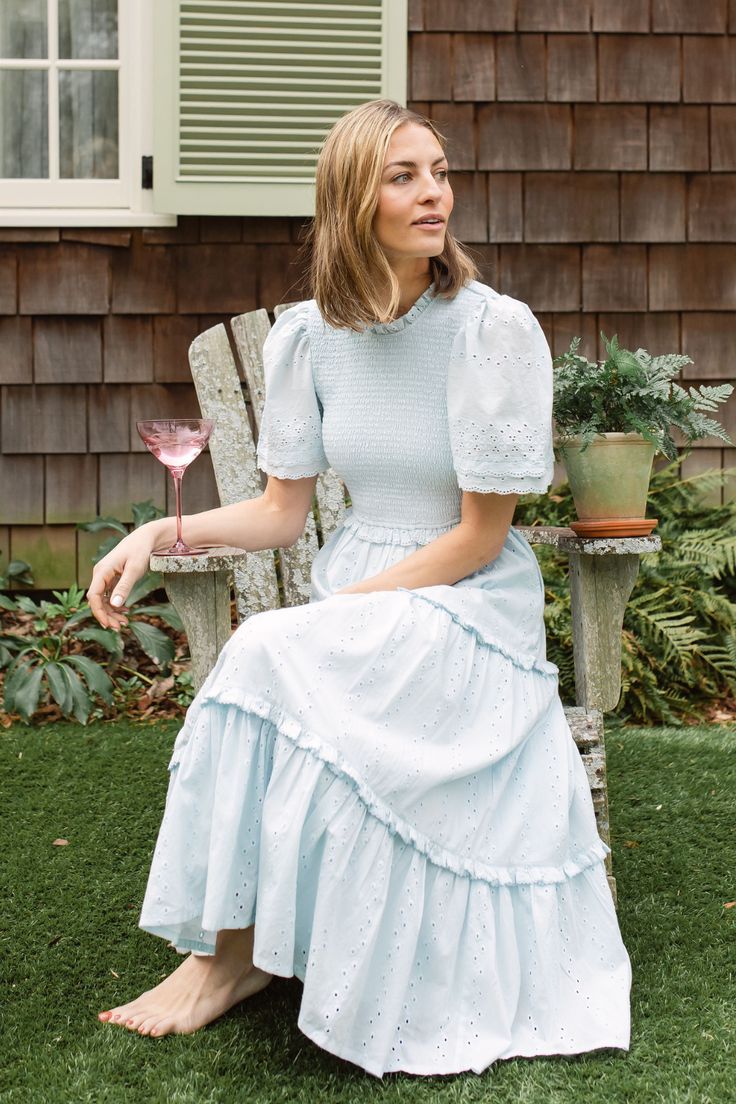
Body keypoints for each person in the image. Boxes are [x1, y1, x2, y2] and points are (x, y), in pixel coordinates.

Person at [90, 99, 631, 1078]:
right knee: (276, 651)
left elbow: (478, 536)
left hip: (464, 606)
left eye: (438, 170)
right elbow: (278, 513)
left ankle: (226, 961)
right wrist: (155, 530)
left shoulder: (490, 332)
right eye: (404, 175)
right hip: (365, 607)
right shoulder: (307, 339)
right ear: (352, 199)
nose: (434, 193)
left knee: (268, 647)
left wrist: (348, 606)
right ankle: (234, 953)